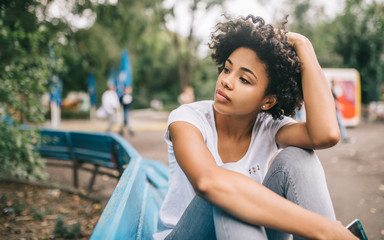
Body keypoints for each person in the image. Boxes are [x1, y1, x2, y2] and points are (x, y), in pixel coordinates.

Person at [153, 15, 358, 240]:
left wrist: (303, 45)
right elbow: (208, 182)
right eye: (227, 69)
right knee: (228, 184)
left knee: (298, 158)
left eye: (244, 80)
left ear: (268, 101)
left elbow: (325, 134)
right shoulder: (187, 118)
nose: (226, 81)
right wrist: (324, 229)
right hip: (186, 235)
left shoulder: (268, 127)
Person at [331, 79, 354, 144]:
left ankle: (342, 137)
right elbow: (334, 101)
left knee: (339, 124)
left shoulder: (333, 90)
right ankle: (344, 137)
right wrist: (338, 105)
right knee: (341, 124)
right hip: (336, 110)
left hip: (335, 110)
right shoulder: (332, 91)